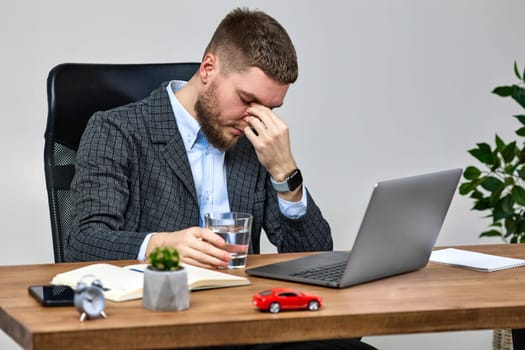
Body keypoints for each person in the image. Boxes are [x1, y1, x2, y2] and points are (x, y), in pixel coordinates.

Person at [67, 7, 377, 350]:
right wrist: (158, 246)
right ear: (208, 69)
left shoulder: (255, 144)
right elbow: (83, 241)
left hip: (246, 322)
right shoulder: (116, 130)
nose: (254, 120)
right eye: (247, 100)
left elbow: (314, 256)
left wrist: (285, 172)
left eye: (269, 110)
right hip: (160, 325)